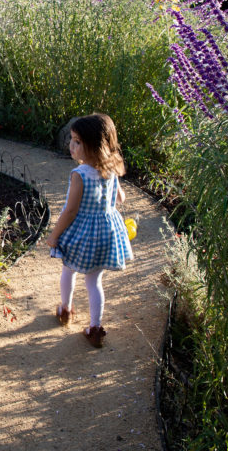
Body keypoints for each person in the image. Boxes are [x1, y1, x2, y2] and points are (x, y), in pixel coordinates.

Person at [46, 113, 133, 348]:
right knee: (94, 281)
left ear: (93, 146)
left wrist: (54, 235)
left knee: (69, 269)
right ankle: (95, 328)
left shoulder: (80, 174)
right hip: (106, 232)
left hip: (83, 233)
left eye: (76, 141)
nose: (70, 145)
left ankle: (66, 310)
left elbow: (70, 210)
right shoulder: (111, 168)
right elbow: (120, 198)